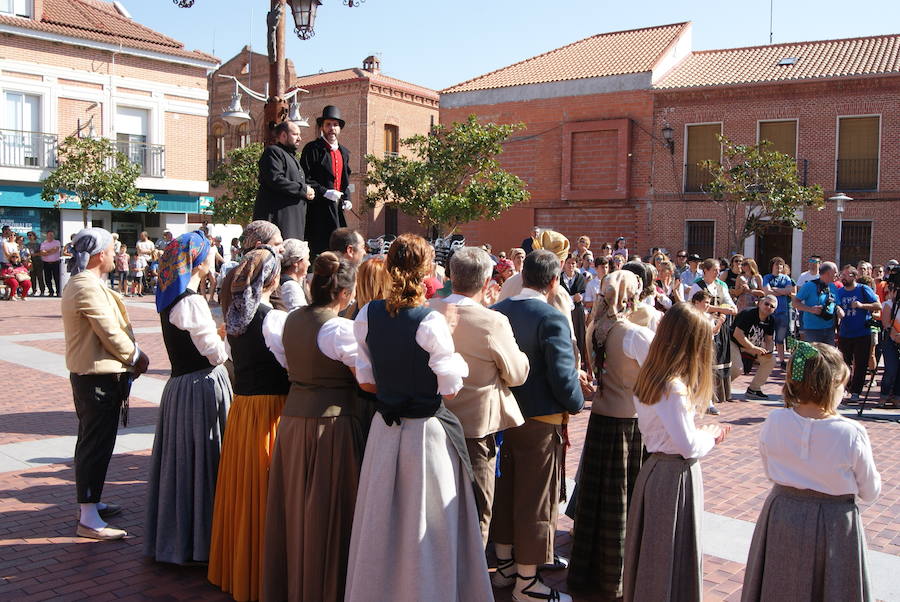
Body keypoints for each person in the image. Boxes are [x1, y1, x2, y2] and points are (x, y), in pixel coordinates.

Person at [345, 234, 492, 602]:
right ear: (428, 269)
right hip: (424, 435)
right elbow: (451, 390)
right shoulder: (431, 321)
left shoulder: (367, 314)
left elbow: (365, 380)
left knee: (383, 521)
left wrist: (396, 390)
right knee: (427, 524)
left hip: (386, 431)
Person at [741, 339, 880, 601]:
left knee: (779, 586)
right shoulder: (850, 432)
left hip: (783, 513)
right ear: (833, 385)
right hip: (836, 522)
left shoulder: (775, 420)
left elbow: (771, 470)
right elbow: (870, 490)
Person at [263, 252, 365, 602]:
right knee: (327, 513)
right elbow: (367, 380)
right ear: (345, 295)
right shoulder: (339, 328)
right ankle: (324, 589)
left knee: (295, 510)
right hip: (330, 429)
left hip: (293, 423)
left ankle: (294, 585)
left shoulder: (289, 320)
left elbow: (288, 363)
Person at [491, 249, 585, 602]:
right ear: (553, 281)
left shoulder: (497, 311)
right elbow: (562, 376)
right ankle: (528, 581)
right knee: (535, 498)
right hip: (539, 419)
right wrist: (576, 400)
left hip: (501, 416)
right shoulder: (551, 317)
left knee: (505, 491)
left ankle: (505, 565)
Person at [623, 302, 730, 601]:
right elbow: (686, 445)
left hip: (656, 470)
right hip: (674, 476)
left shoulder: (652, 377)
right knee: (668, 554)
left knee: (656, 552)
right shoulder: (673, 387)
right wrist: (711, 435)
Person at [428, 247, 529, 546]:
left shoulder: (429, 309)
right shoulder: (492, 321)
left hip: (433, 424)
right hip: (475, 431)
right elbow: (517, 373)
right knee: (476, 514)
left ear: (450, 276)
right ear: (487, 283)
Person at [144, 231, 232, 565]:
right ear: (197, 260)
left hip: (181, 388)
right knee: (203, 461)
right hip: (200, 389)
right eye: (210, 253)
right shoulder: (191, 301)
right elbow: (215, 355)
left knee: (184, 464)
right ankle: (201, 540)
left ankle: (184, 538)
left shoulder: (172, 297)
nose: (214, 258)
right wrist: (228, 336)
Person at [208, 247, 289, 602]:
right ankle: (261, 573)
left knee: (244, 490)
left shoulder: (236, 315)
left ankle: (238, 567)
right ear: (273, 279)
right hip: (269, 410)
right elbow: (291, 366)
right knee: (263, 490)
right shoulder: (272, 319)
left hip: (243, 409)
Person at [568, 270, 653, 597]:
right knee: (621, 500)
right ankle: (617, 576)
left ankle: (590, 572)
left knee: (596, 501)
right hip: (628, 425)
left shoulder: (594, 330)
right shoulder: (635, 335)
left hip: (601, 421)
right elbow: (658, 376)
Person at [62, 227, 150, 540]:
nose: (115, 255)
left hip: (100, 376)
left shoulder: (87, 282)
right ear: (100, 254)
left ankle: (91, 503)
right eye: (112, 250)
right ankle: (87, 517)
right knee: (95, 444)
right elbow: (109, 331)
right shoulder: (85, 284)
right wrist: (137, 356)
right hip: (96, 378)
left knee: (97, 442)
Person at [300, 106, 354, 256]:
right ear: (322, 127)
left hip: (337, 208)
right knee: (321, 246)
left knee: (339, 244)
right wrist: (324, 192)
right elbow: (305, 177)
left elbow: (345, 180)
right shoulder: (312, 149)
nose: (332, 128)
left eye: (335, 125)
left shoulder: (344, 152)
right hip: (318, 208)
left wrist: (347, 198)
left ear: (340, 128)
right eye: (328, 124)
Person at [252, 121, 317, 241]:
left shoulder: (292, 157)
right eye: (295, 134)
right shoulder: (273, 152)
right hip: (279, 221)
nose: (299, 138)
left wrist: (307, 190)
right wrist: (303, 190)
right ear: (283, 136)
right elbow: (275, 179)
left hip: (293, 221)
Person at [690, 259, 737, 407]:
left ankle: (715, 395)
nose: (717, 273)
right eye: (714, 270)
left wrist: (723, 315)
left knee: (718, 359)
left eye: (718, 270)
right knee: (704, 361)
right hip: (703, 325)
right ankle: (703, 396)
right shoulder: (698, 285)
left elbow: (731, 305)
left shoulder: (721, 285)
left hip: (720, 325)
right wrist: (722, 310)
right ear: (706, 271)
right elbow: (696, 306)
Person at [835, 266, 881, 402]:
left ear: (854, 276)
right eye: (842, 275)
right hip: (845, 332)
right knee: (844, 363)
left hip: (862, 332)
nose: (843, 278)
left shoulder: (862, 289)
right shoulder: (840, 292)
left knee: (860, 364)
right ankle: (845, 388)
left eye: (846, 275)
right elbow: (837, 305)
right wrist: (838, 309)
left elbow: (878, 305)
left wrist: (862, 306)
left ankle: (856, 392)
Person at [219, 220, 285, 313]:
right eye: (277, 244)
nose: (282, 249)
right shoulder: (263, 277)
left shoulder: (233, 273)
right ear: (259, 246)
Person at [731, 294, 777, 399]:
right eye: (766, 304)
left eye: (772, 306)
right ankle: (719, 387)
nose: (768, 307)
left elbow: (768, 339)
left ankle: (754, 389)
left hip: (751, 347)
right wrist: (753, 348)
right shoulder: (748, 314)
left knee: (770, 360)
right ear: (760, 303)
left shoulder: (771, 320)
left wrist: (769, 351)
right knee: (738, 368)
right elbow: (737, 334)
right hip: (734, 342)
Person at [793, 261, 840, 345]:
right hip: (812, 330)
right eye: (835, 273)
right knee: (814, 357)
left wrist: (839, 310)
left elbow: (837, 304)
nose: (837, 275)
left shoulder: (833, 287)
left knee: (828, 357)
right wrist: (810, 309)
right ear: (828, 273)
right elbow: (795, 303)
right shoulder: (809, 286)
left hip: (829, 329)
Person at [560, 254, 588, 367]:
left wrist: (575, 297)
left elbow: (580, 294)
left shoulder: (580, 277)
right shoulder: (559, 278)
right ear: (564, 265)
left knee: (579, 333)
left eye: (573, 263)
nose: (571, 266)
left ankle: (580, 361)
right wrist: (572, 298)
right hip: (563, 309)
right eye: (568, 263)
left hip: (577, 311)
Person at [279, 238, 311, 311]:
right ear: (296, 262)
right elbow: (299, 316)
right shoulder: (291, 286)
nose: (309, 264)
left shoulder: (285, 281)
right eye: (307, 259)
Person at [39, 229, 62, 296]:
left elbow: (55, 250)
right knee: (47, 278)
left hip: (55, 263)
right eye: (49, 235)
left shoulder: (57, 242)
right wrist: (50, 251)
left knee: (57, 278)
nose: (50, 236)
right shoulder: (43, 243)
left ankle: (58, 292)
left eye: (52, 235)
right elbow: (42, 253)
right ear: (47, 235)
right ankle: (50, 292)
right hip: (46, 263)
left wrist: (46, 252)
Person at [25, 231, 45, 296]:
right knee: (32, 277)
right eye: (28, 235)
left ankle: (42, 291)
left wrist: (35, 254)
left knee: (40, 277)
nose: (29, 237)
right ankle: (34, 291)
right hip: (31, 262)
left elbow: (42, 252)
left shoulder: (39, 244)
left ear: (34, 236)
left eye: (31, 235)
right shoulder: (27, 245)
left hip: (38, 261)